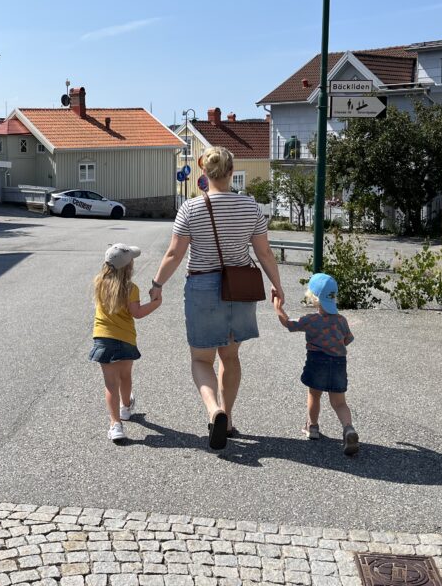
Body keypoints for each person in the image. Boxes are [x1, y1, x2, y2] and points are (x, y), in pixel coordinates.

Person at [150, 146, 283, 450]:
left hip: (202, 288)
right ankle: (230, 417)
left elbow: (174, 253)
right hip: (239, 287)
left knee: (201, 359)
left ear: (203, 172)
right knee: (230, 356)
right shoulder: (251, 207)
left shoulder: (191, 209)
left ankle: (215, 411)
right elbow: (264, 252)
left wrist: (157, 283)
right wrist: (277, 285)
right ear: (231, 172)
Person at [273, 273, 359, 456]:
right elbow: (347, 340)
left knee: (314, 395)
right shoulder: (341, 320)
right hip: (338, 363)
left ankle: (312, 427)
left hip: (317, 361)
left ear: (314, 298)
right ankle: (348, 428)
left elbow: (288, 324)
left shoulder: (310, 320)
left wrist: (277, 306)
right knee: (339, 402)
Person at [89, 243, 162, 443]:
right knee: (125, 376)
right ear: (128, 267)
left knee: (110, 384)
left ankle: (115, 425)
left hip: (103, 337)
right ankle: (126, 406)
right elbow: (137, 313)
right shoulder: (131, 288)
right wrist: (156, 303)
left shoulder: (99, 282)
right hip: (125, 339)